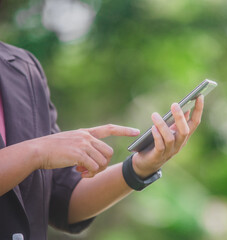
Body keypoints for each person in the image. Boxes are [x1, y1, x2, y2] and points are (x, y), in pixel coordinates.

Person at [0, 41, 204, 240]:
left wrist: (139, 168)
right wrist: (37, 152)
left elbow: (63, 201)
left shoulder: (23, 67)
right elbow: (38, 153)